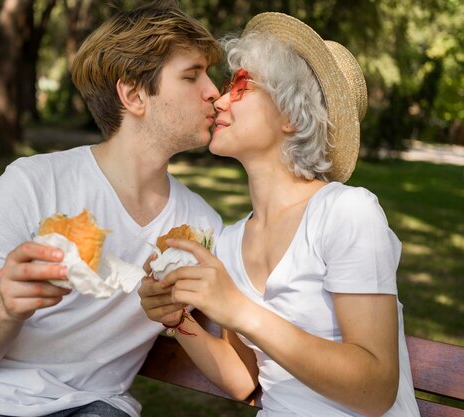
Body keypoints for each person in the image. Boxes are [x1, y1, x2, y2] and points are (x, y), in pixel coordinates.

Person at [0, 2, 223, 417]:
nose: (214, 90)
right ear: (134, 94)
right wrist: (4, 307)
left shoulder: (200, 226)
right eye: (192, 75)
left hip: (94, 405)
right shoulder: (32, 185)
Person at [139, 12, 421, 417]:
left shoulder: (346, 212)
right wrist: (176, 318)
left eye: (240, 87)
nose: (218, 100)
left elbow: (375, 391)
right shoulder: (233, 240)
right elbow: (243, 380)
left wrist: (238, 309)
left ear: (291, 113)